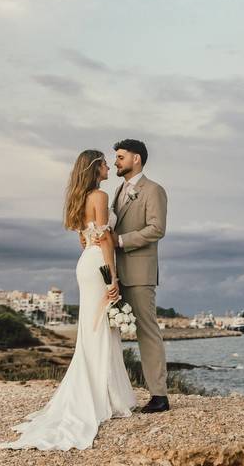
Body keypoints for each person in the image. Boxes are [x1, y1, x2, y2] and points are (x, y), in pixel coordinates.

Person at [0, 150, 136, 451]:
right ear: (95, 168)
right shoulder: (99, 196)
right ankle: (104, 397)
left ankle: (102, 392)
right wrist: (112, 277)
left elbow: (83, 238)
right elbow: (104, 239)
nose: (108, 167)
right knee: (100, 327)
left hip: (85, 261)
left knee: (93, 327)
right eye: (104, 163)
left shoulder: (79, 198)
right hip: (98, 264)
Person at [105, 138, 170, 413]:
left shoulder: (154, 190)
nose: (116, 162)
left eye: (121, 157)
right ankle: (111, 393)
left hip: (141, 273)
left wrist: (120, 241)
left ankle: (159, 396)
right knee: (108, 332)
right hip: (114, 273)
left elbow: (157, 228)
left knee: (147, 332)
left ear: (136, 159)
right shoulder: (117, 190)